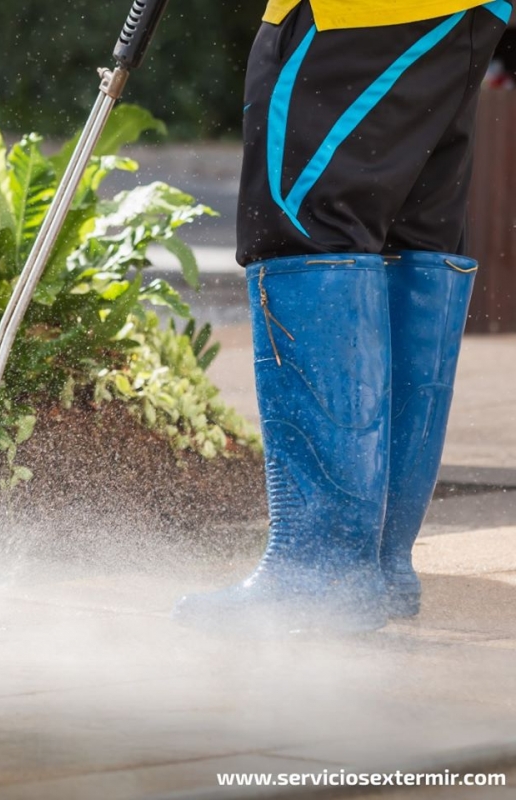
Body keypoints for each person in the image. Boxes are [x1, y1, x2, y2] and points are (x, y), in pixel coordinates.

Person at [174, 0, 511, 632]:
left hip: (353, 15)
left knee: (308, 225)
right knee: (408, 240)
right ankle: (373, 570)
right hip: (457, 13)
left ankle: (321, 571)